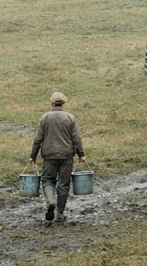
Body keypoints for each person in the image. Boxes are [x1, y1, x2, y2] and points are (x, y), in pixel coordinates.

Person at [28, 91, 86, 224]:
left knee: (48, 179)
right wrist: (81, 154)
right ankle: (60, 213)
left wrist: (33, 155)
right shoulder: (70, 118)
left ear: (52, 102)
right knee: (64, 184)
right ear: (63, 103)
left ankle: (51, 201)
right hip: (66, 155)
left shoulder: (45, 118)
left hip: (49, 155)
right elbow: (76, 139)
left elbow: (38, 139)